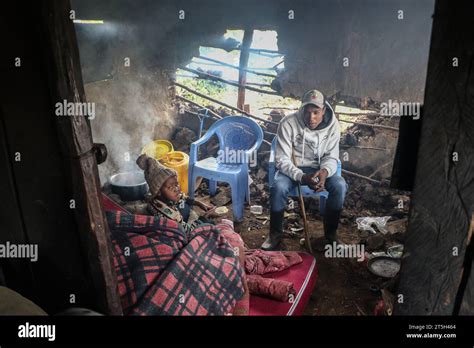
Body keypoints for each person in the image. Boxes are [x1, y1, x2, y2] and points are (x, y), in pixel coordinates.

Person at [261, 89, 348, 250]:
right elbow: (281, 160)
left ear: (324, 110)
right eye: (307, 112)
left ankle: (330, 235)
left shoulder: (333, 126)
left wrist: (325, 172)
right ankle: (275, 235)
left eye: (316, 112)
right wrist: (301, 176)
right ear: (301, 109)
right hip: (293, 168)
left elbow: (331, 155)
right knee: (278, 187)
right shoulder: (288, 124)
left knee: (340, 186)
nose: (311, 118)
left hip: (319, 167)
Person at [136, 154, 218, 232]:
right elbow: (188, 232)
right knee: (208, 224)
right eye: (170, 187)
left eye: (177, 184)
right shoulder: (167, 212)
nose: (176, 188)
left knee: (184, 205)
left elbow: (183, 197)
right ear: (158, 192)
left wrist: (200, 204)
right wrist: (204, 218)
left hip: (176, 213)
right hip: (177, 231)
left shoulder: (166, 197)